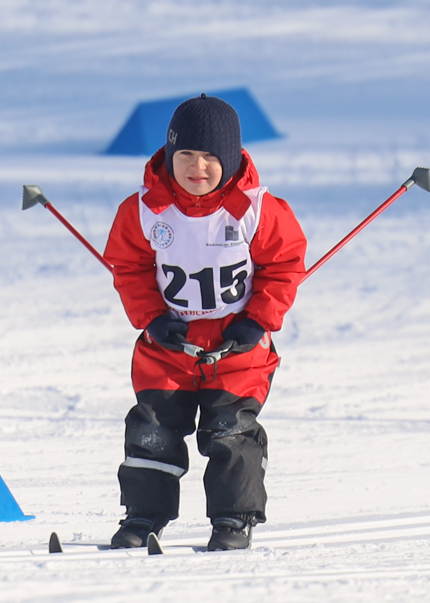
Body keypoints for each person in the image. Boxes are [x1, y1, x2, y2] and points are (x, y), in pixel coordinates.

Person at [104, 94, 307, 551]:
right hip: (168, 348)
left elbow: (285, 264)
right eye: (187, 155)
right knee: (151, 429)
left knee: (231, 431)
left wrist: (258, 321)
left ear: (231, 159)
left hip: (236, 349)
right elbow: (129, 268)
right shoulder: (144, 210)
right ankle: (143, 515)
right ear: (169, 155)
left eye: (212, 157)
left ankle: (234, 520)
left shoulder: (257, 209)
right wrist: (152, 317)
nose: (198, 167)